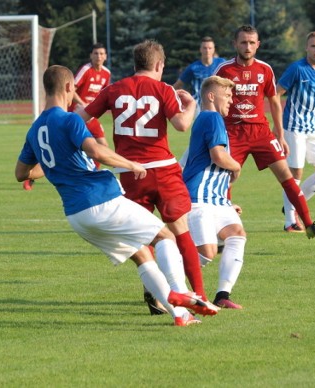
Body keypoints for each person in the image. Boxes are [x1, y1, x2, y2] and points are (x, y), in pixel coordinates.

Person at [14, 65, 217, 326]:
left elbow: (22, 173)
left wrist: (54, 166)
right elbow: (97, 152)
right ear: (68, 87)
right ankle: (181, 291)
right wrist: (131, 165)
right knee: (164, 235)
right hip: (100, 200)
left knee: (142, 254)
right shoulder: (69, 119)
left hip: (77, 216)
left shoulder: (35, 129)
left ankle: (181, 315)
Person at [76, 40, 212, 308]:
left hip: (129, 172)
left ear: (134, 64)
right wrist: (192, 104)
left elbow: (80, 117)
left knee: (143, 233)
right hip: (162, 170)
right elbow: (182, 125)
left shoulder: (113, 89)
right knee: (180, 231)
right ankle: (199, 294)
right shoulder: (164, 89)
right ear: (159, 64)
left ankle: (154, 292)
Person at [213, 25, 315, 239]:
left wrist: (280, 135)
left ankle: (309, 224)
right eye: (243, 42)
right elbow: (212, 100)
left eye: (251, 42)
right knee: (224, 180)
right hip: (233, 133)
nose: (247, 47)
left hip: (261, 132)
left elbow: (274, 101)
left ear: (258, 45)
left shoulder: (265, 69)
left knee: (287, 177)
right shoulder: (224, 71)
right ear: (235, 44)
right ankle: (223, 230)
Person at [182, 75, 247, 309]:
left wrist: (226, 202)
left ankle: (223, 295)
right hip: (199, 199)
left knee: (236, 234)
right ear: (211, 96)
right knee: (207, 252)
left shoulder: (209, 119)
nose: (231, 100)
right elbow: (218, 157)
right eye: (227, 95)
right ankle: (161, 280)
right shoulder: (211, 118)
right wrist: (236, 166)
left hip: (217, 201)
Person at [23, 43, 111, 190]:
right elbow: (71, 88)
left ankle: (91, 174)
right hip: (77, 114)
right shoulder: (85, 70)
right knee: (63, 148)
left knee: (102, 146)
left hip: (91, 116)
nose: (99, 56)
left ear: (106, 56)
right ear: (91, 55)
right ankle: (31, 175)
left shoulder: (106, 73)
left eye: (101, 53)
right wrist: (82, 104)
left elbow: (103, 94)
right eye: (96, 53)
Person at [276, 31, 315, 232]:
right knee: (295, 173)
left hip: (313, 128)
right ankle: (290, 221)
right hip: (293, 128)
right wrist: (278, 126)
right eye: (313, 46)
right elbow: (276, 94)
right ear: (306, 48)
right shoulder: (296, 68)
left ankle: (294, 203)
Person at [173, 36, 226, 117]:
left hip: (218, 103)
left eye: (210, 48)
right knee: (202, 129)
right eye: (204, 48)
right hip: (199, 105)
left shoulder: (222, 63)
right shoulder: (193, 68)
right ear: (200, 49)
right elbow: (178, 84)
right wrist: (167, 96)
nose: (207, 50)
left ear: (213, 49)